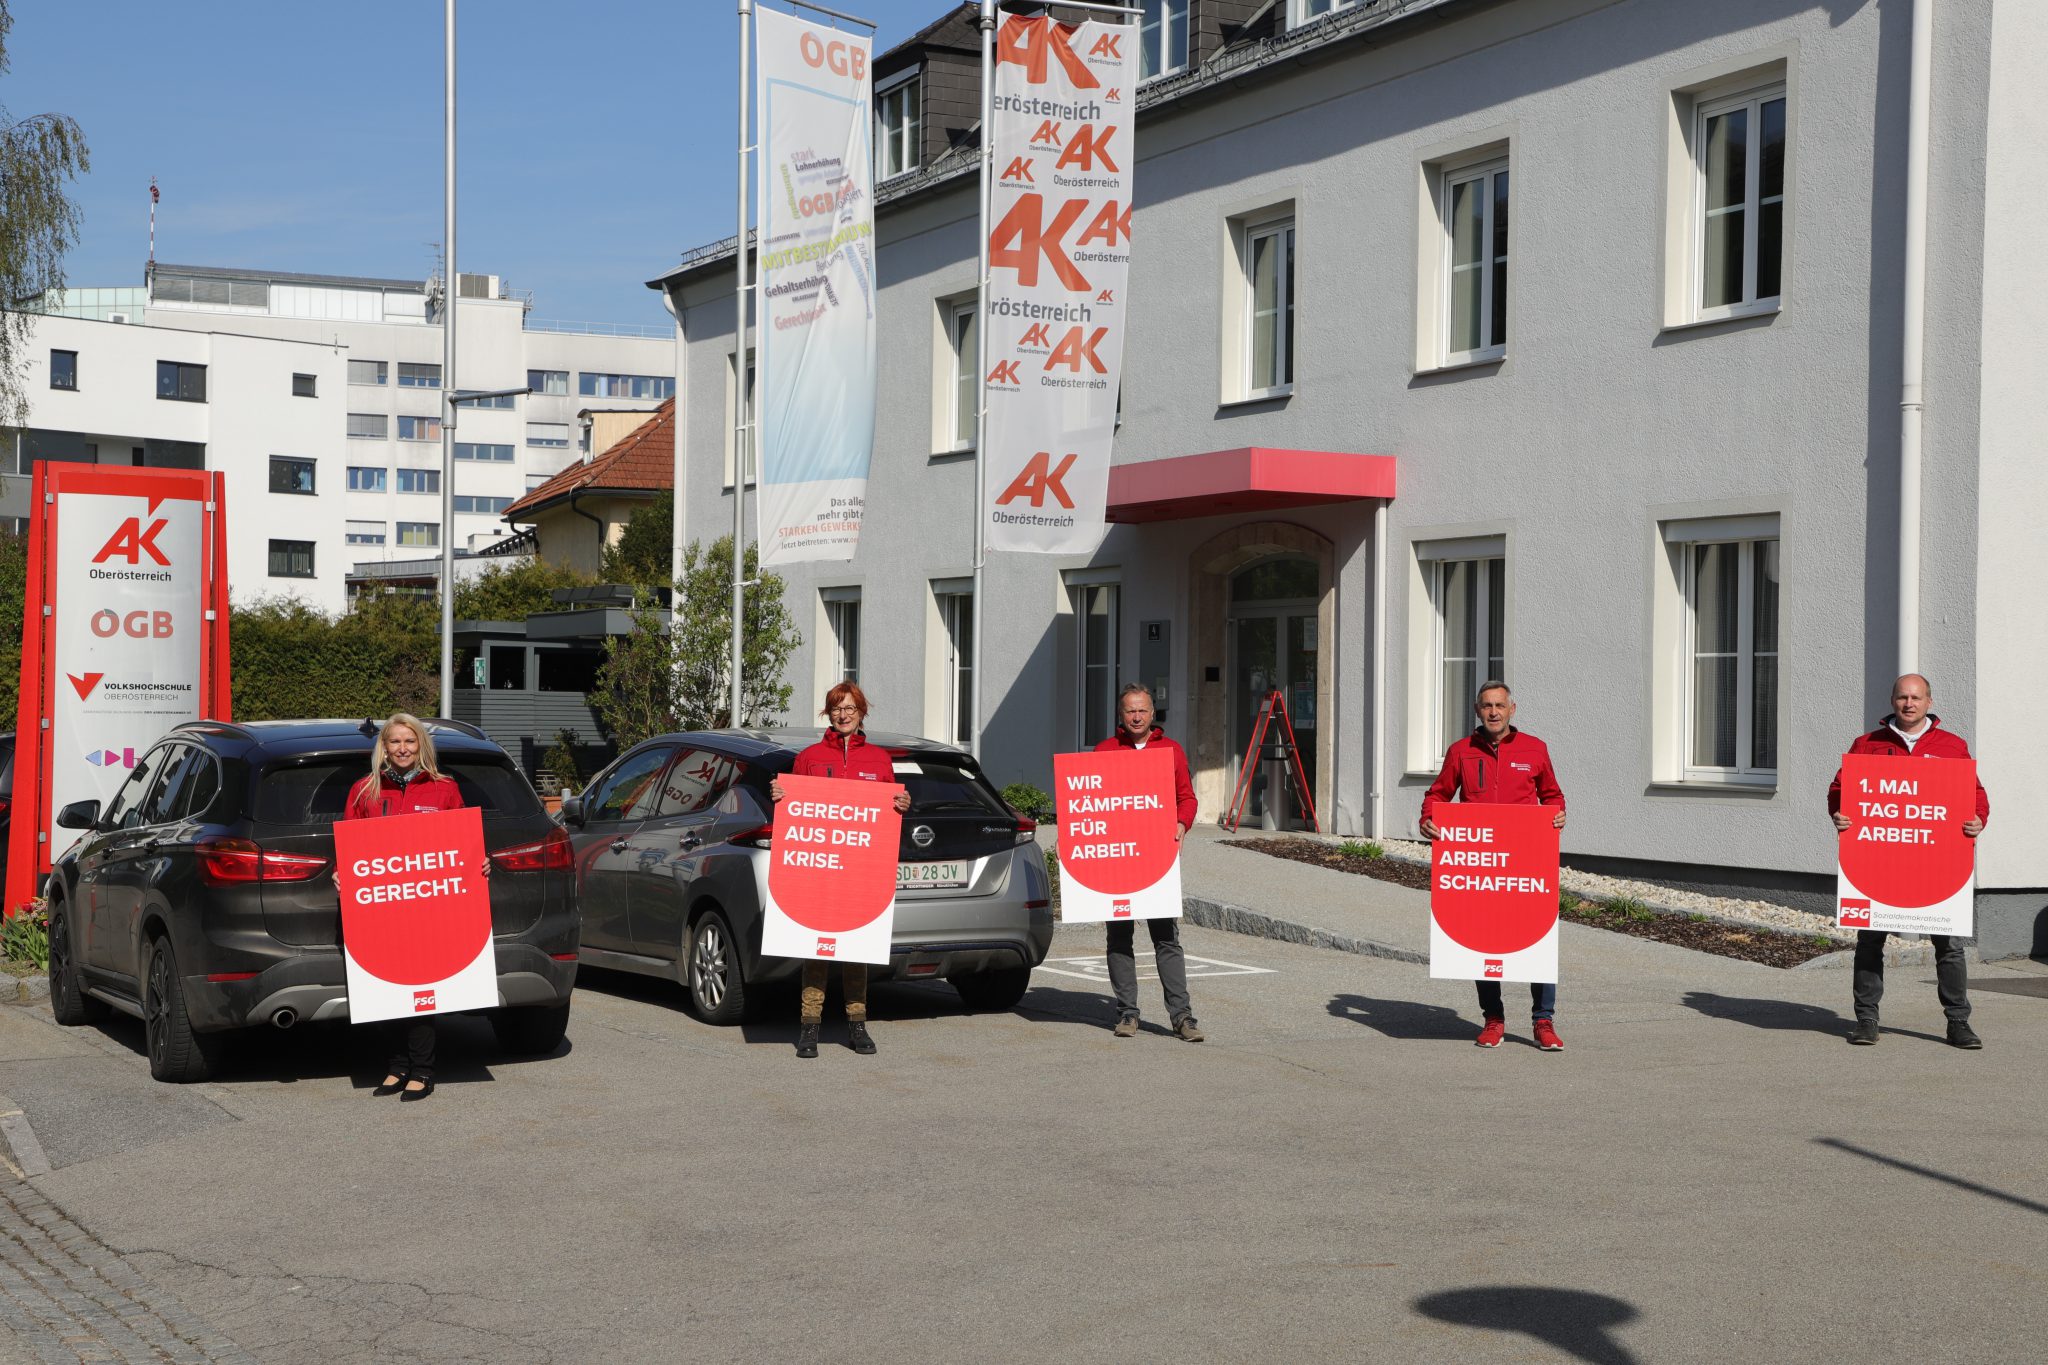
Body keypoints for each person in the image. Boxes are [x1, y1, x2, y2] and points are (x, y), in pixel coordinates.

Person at [1827, 673, 1989, 1049]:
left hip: (1937, 865)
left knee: (1949, 946)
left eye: (1916, 697)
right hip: (1878, 863)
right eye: (1903, 697)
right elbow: (1840, 788)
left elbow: (1975, 794)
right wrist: (1839, 812)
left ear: (1929, 702)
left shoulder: (1952, 746)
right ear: (1892, 701)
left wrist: (1978, 819)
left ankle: (1958, 1022)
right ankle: (1866, 1020)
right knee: (1870, 942)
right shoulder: (1867, 745)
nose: (1909, 704)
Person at [1420, 680, 1568, 1051]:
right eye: (1487, 705)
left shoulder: (1535, 749)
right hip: (1482, 867)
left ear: (1511, 709)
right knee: (1482, 943)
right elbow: (1438, 793)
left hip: (1526, 864)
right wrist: (1428, 818)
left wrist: (1557, 815)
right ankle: (1493, 1018)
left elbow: (1552, 795)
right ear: (1477, 710)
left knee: (1537, 941)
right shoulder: (1461, 752)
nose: (1493, 712)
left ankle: (1543, 1022)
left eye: (1500, 705)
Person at [341, 713, 480, 1102]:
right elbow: (349, 844)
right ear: (384, 748)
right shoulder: (363, 790)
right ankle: (397, 1066)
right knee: (385, 990)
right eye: (395, 742)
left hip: (426, 910)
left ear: (421, 745)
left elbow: (461, 844)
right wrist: (343, 873)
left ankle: (423, 1071)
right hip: (380, 909)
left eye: (410, 741)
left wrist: (477, 863)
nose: (402, 748)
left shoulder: (444, 789)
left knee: (420, 991)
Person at [770, 682, 912, 1059]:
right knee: (815, 951)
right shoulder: (809, 757)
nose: (843, 714)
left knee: (856, 951)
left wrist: (902, 803)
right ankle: (809, 1029)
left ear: (861, 712)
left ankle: (857, 1027)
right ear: (828, 714)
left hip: (860, 871)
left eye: (850, 708)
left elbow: (888, 812)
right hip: (820, 871)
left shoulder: (879, 759)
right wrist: (780, 796)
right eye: (836, 708)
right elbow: (795, 809)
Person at [1094, 683, 1204, 1042]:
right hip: (1116, 860)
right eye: (1130, 710)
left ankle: (1183, 1017)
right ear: (1121, 715)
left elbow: (1187, 798)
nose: (1137, 716)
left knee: (1166, 939)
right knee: (1119, 937)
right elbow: (1087, 800)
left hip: (1156, 859)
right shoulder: (1104, 751)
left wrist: (1182, 823)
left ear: (1153, 713)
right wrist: (1073, 838)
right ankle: (1127, 1013)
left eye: (1142, 710)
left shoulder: (1171, 751)